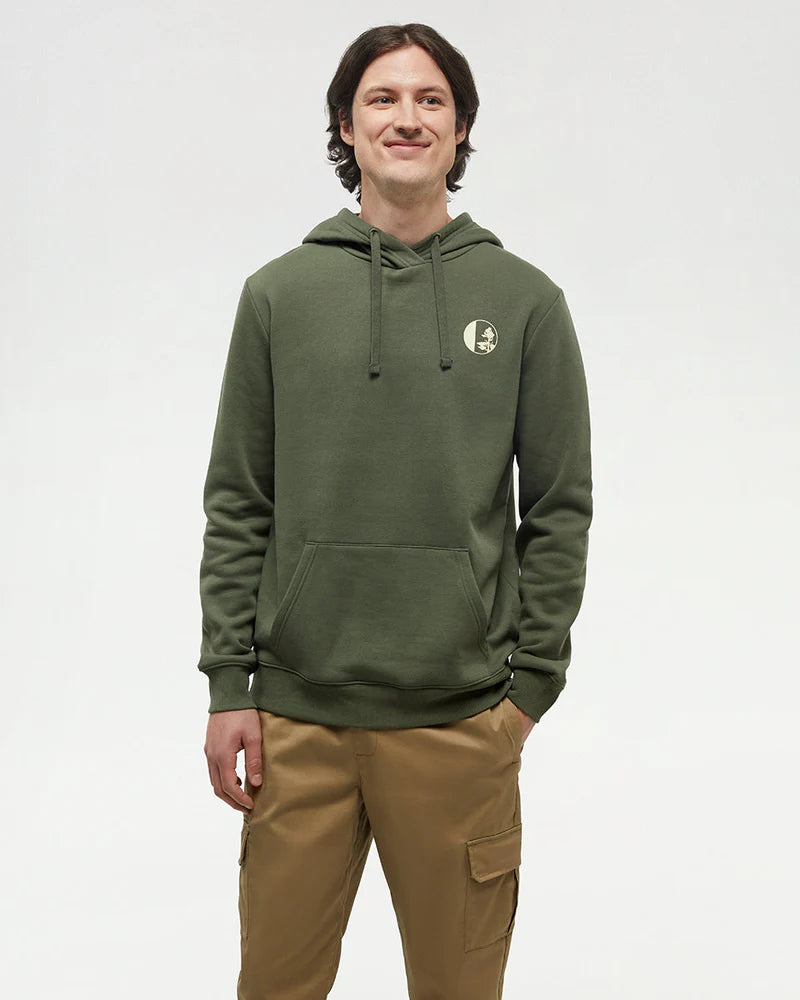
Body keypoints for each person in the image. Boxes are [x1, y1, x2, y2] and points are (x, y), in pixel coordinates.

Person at [197, 22, 593, 1000]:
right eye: (382, 98)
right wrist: (229, 684)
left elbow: (558, 507)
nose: (406, 117)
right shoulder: (278, 295)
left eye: (430, 100)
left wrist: (528, 692)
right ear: (346, 124)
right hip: (295, 723)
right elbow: (239, 500)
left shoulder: (526, 301)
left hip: (459, 723)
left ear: (460, 128)